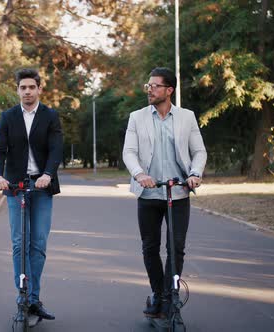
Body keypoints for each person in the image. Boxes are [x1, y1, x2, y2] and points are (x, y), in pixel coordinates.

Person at [122, 67, 207, 318]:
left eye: (155, 86)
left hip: (178, 193)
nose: (150, 89)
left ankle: (171, 295)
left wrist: (195, 173)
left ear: (169, 90)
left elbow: (199, 151)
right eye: (148, 85)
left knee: (176, 247)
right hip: (148, 194)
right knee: (150, 247)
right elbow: (129, 152)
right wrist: (140, 174)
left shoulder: (186, 117)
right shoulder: (136, 117)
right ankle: (158, 294)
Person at [0, 68, 63, 321]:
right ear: (18, 90)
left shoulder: (50, 116)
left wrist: (47, 174)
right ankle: (22, 295)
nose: (27, 91)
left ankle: (34, 299)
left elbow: (56, 150)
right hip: (16, 187)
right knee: (20, 243)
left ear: (39, 89)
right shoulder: (8, 116)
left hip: (42, 187)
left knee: (38, 244)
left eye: (32, 87)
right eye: (23, 88)